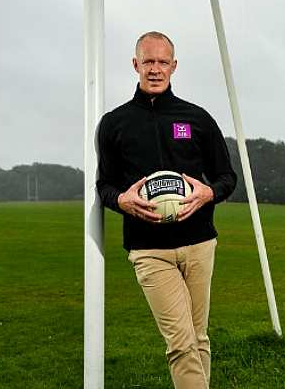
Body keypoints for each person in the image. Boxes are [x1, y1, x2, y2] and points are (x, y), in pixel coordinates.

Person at [96, 31, 237, 389]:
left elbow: (226, 177)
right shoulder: (115, 123)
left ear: (173, 66)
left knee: (198, 338)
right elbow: (105, 185)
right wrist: (121, 200)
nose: (155, 69)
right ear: (135, 65)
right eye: (148, 61)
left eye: (162, 62)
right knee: (180, 341)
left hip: (200, 244)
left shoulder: (197, 118)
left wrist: (208, 193)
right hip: (149, 250)